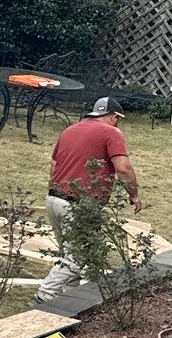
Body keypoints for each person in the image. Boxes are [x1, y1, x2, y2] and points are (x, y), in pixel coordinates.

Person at [35, 96, 142, 302]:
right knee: (77, 256)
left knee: (68, 253)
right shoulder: (111, 132)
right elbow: (123, 168)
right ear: (114, 116)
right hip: (78, 204)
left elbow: (54, 166)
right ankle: (43, 296)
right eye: (118, 119)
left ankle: (70, 298)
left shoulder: (70, 130)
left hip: (54, 199)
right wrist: (134, 195)